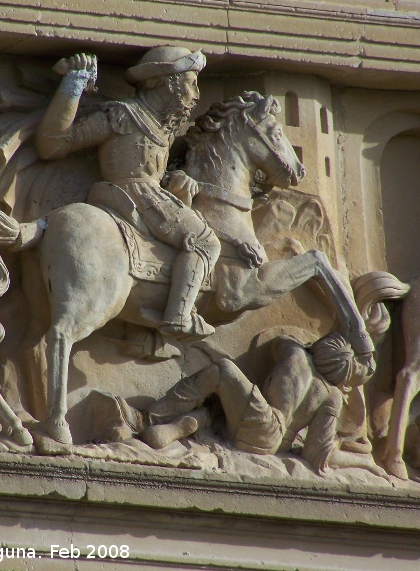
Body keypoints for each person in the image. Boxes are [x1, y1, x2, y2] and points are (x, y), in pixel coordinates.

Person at [35, 47, 221, 340]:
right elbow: (54, 144)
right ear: (168, 82)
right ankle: (178, 317)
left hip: (153, 194)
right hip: (134, 195)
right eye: (191, 82)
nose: (196, 93)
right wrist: (73, 83)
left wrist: (177, 179)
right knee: (205, 241)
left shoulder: (162, 128)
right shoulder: (122, 115)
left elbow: (154, 172)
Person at [128, 333, 383, 476]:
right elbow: (317, 454)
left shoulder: (295, 355)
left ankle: (150, 418)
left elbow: (277, 342)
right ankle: (199, 420)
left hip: (263, 423)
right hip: (271, 441)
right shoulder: (332, 396)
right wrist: (366, 462)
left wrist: (309, 346)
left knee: (223, 370)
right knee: (222, 404)